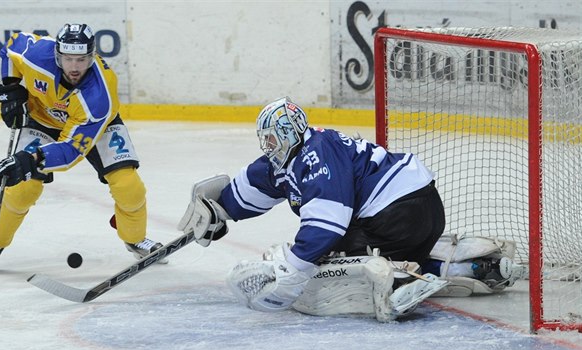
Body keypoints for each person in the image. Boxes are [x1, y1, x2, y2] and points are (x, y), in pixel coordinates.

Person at [179, 97, 527, 321]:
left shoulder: (315, 155)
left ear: (289, 133)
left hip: (397, 215)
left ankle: (395, 280)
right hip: (420, 211)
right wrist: (220, 209)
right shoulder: (294, 156)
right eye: (265, 139)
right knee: (342, 243)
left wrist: (295, 268)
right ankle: (470, 265)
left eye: (273, 138)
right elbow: (258, 183)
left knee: (328, 256)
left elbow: (327, 224)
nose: (268, 145)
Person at [0, 23, 163, 268]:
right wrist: (10, 88)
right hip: (42, 119)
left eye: (81, 59)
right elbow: (11, 48)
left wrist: (32, 160)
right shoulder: (38, 54)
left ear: (92, 57)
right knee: (23, 189)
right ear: (57, 55)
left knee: (129, 186)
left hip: (95, 126)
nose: (74, 67)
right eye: (68, 58)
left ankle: (135, 240)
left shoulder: (99, 97)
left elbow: (72, 150)